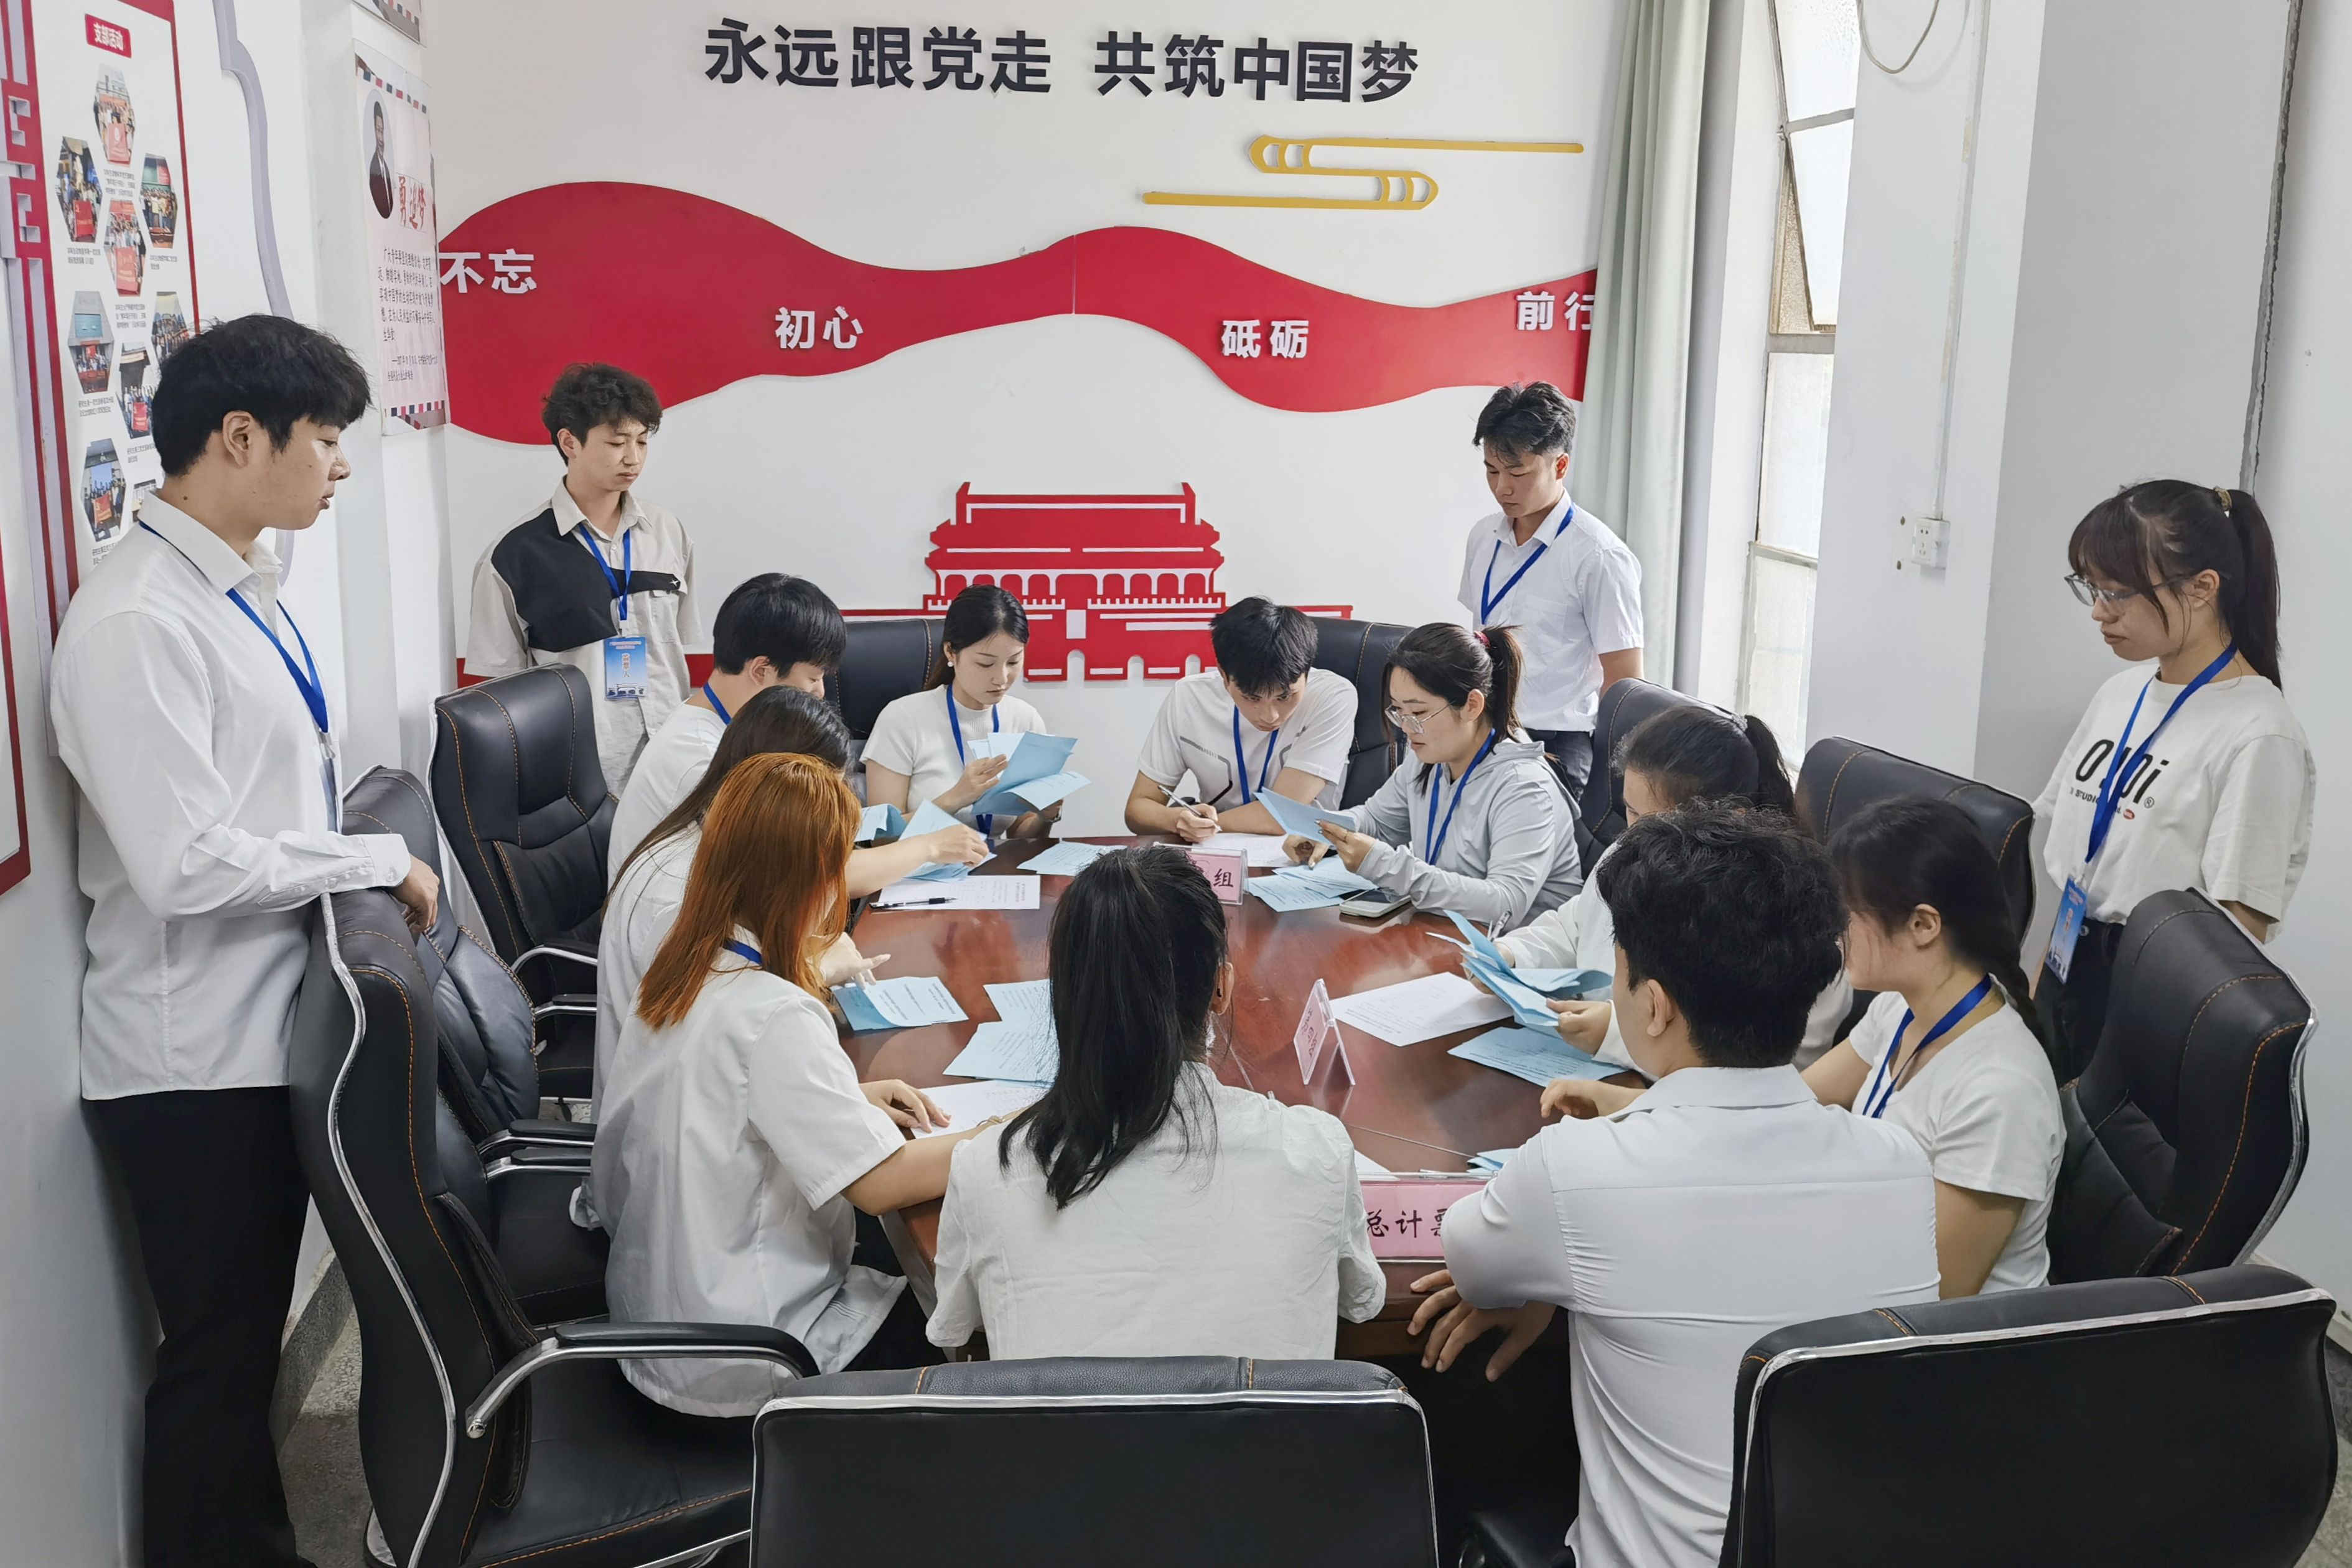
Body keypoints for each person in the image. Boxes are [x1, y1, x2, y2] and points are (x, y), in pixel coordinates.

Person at [50, 314, 439, 1568]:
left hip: (250, 1033)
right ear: (237, 437)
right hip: (188, 1061)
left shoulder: (239, 584)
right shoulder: (137, 622)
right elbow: (182, 864)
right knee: (216, 1363)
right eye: (323, 439)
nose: (341, 464)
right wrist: (370, 860)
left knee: (242, 1356)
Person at [1409, 803, 1937, 1568]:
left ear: (1653, 1005)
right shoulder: (1901, 1163)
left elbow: (1472, 1263)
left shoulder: (1577, 1171)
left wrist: (1555, 1272)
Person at [597, 754, 992, 1414]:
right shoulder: (775, 1013)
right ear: (805, 883)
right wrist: (1006, 1133)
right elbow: (879, 1184)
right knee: (962, 1331)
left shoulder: (684, 963)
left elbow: (718, 1099)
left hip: (658, 1320)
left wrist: (849, 1099)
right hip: (744, 1360)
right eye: (838, 868)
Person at [1548, 799, 2063, 1297]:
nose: (1833, 929)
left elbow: (1938, 1291)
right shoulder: (1901, 1009)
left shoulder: (2001, 1091)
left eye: (1850, 911)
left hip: (1933, 1332)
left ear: (1923, 925)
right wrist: (1624, 1103)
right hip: (1860, 1255)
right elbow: (1782, 1105)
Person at [928, 845, 1383, 1358]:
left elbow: (957, 1326)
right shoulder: (1317, 1151)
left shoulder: (986, 1169)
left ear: (1064, 994)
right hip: (1263, 1416)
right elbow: (1360, 1300)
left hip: (1058, 1418)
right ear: (1221, 987)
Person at [594, 686, 985, 1121]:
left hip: (718, 1088)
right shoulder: (681, 885)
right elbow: (714, 1022)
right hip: (682, 1109)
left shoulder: (716, 841)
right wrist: (813, 970)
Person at [2032, 480, 2313, 1078]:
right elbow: (2087, 876)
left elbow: (2235, 934)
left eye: (2117, 593)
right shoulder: (2121, 693)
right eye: (2091, 587)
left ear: (2202, 588)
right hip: (2070, 965)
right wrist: (2041, 996)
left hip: (2154, 1006)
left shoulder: (2260, 732)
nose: (2099, 612)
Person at [1493, 704, 1850, 1070]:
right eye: (1630, 811)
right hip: (1582, 1063)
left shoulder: (1788, 918)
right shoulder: (1629, 856)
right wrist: (1511, 955)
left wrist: (1614, 1037)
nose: (1633, 835)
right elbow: (1576, 926)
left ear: (1730, 819)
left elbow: (1780, 1066)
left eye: (1654, 822)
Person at [465, 363, 698, 793]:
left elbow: (677, 646)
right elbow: (502, 689)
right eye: (617, 443)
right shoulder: (515, 555)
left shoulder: (668, 531)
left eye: (642, 441)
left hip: (672, 761)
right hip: (579, 774)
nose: (633, 458)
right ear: (569, 442)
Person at [1285, 623, 1580, 927]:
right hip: (1444, 932)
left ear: (1472, 705)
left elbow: (1505, 906)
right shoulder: (1429, 757)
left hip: (1512, 950)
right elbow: (1377, 821)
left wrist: (1388, 867)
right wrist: (1328, 831)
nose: (1405, 727)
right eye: (1398, 710)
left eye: (1419, 713)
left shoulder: (1524, 785)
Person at [1458, 381, 1643, 794]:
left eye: (1517, 473)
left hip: (1555, 746)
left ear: (1560, 466)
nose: (1502, 487)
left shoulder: (1599, 556)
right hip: (1482, 731)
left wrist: (1609, 785)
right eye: (1492, 470)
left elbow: (1625, 680)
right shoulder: (1483, 536)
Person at [607, 571, 847, 874]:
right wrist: (913, 849)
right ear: (762, 671)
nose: (819, 692)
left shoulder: (723, 725)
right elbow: (809, 873)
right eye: (813, 678)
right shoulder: (699, 758)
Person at [1123, 597, 1359, 841]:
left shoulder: (1333, 696)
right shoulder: (1189, 697)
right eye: (1252, 698)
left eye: (1284, 697)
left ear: (1307, 672)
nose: (1270, 716)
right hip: (1215, 850)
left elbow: (1280, 816)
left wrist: (1207, 825)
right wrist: (1178, 820)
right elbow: (1137, 810)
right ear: (1224, 676)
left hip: (1303, 850)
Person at [863, 584, 1058, 841]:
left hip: (997, 864)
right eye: (985, 663)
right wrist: (955, 798)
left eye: (1013, 662)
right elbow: (880, 837)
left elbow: (1021, 835)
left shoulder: (1026, 720)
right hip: (920, 864)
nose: (1001, 678)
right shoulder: (902, 719)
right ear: (950, 652)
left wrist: (1045, 816)